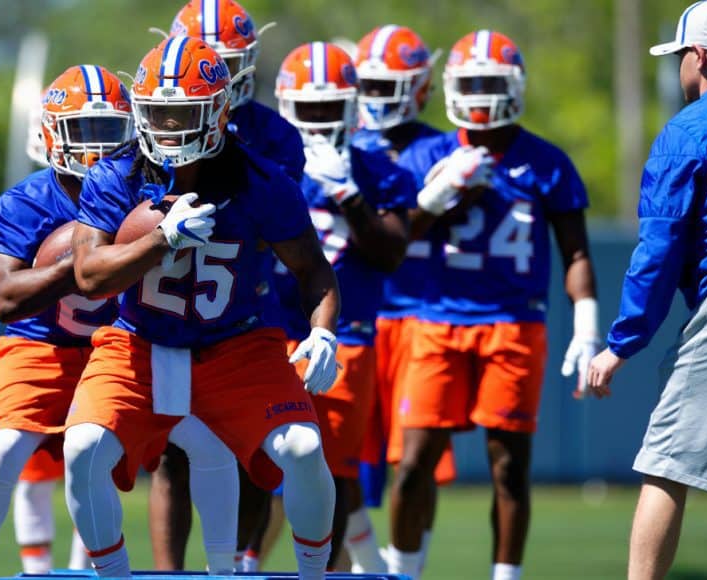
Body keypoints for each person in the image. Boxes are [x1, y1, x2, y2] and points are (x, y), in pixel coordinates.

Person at [65, 36, 339, 579]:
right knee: (83, 451)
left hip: (237, 341)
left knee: (305, 450)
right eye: (158, 114)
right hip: (138, 340)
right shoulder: (115, 175)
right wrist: (160, 240)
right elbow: (89, 276)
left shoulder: (260, 180)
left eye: (182, 114)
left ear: (217, 112)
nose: (167, 129)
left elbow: (315, 271)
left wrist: (323, 332)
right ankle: (114, 576)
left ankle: (313, 574)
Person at [392, 30, 598, 580]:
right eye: (471, 84)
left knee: (509, 467)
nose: (481, 96)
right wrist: (432, 200)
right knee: (412, 466)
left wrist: (587, 327)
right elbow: (391, 239)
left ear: (515, 87)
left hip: (513, 325)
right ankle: (402, 574)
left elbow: (575, 250)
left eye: (492, 84)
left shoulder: (546, 163)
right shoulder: (428, 154)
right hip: (437, 320)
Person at [0, 65, 134, 580]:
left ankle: (95, 572)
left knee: (99, 461)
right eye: (84, 129)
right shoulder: (24, 203)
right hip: (39, 347)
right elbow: (3, 298)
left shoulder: (140, 194)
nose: (96, 146)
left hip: (115, 346)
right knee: (5, 453)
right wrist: (77, 269)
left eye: (108, 129)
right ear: (53, 132)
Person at [148, 0, 307, 571]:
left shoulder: (273, 136)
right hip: (164, 299)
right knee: (173, 450)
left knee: (255, 448)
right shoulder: (154, 118)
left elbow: (279, 227)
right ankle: (171, 573)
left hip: (244, 301)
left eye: (225, 59)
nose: (213, 67)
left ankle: (244, 563)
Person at [251, 40, 412, 571]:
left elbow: (390, 253)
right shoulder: (262, 162)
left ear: (353, 104)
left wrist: (349, 196)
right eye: (308, 109)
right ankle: (242, 563)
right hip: (266, 333)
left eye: (329, 108)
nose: (319, 121)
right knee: (253, 463)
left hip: (347, 336)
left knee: (336, 471)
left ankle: (321, 570)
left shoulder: (375, 167)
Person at [587, 2, 707, 578]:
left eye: (681, 59)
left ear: (700, 56)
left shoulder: (690, 129)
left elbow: (659, 249)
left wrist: (623, 343)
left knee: (667, 462)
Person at [349, 24, 458, 575]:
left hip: (422, 312)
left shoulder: (444, 147)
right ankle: (365, 566)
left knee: (414, 465)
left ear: (420, 87)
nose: (378, 97)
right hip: (360, 315)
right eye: (369, 84)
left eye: (389, 85)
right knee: (341, 462)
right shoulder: (348, 145)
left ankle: (406, 570)